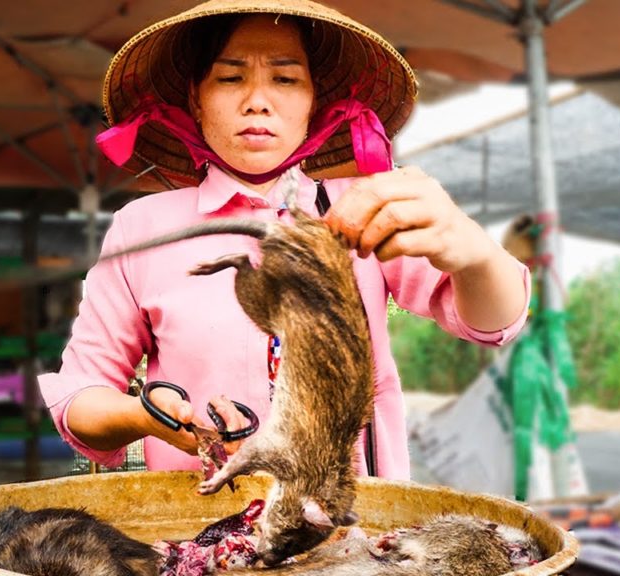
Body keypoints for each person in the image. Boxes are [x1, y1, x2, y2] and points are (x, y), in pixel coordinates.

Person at [39, 0, 530, 480]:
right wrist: (149, 418)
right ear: (195, 99)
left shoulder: (368, 205)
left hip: (349, 532)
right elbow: (78, 398)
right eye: (230, 77)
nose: (257, 99)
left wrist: (478, 256)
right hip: (201, 527)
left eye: (286, 78)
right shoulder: (142, 228)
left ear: (314, 100)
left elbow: (494, 324)